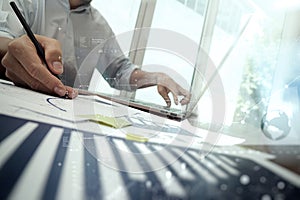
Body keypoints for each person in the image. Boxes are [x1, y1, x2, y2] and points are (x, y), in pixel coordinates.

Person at [0, 0, 190, 107]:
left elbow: (119, 72)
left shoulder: (99, 26)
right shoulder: (29, 2)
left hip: (67, 114)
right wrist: (12, 48)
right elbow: (3, 37)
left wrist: (156, 77)